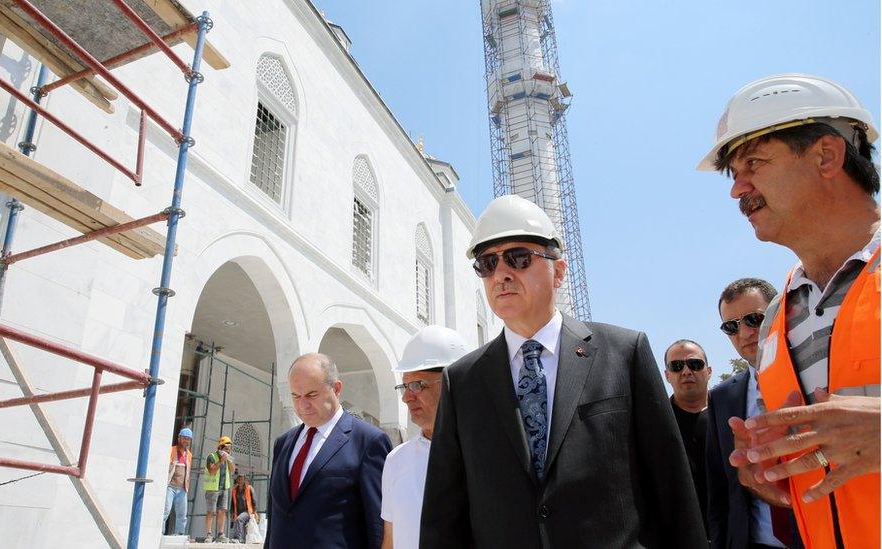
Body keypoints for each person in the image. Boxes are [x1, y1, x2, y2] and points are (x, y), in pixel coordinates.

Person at [420, 195, 706, 548]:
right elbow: (444, 514)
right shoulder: (461, 381)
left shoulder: (623, 353)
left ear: (558, 271)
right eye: (487, 263)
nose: (502, 274)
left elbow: (672, 488)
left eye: (518, 258)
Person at [699, 73, 879, 548]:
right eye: (733, 175)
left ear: (825, 155)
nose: (738, 190)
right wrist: (775, 470)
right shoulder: (780, 315)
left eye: (753, 164)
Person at [706, 278, 801, 549]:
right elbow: (720, 488)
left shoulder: (812, 375)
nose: (744, 332)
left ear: (779, 311)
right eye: (731, 326)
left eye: (754, 319)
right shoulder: (722, 397)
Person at [265, 353, 393, 549]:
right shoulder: (283, 443)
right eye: (295, 396)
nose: (302, 405)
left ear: (337, 388)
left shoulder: (368, 441)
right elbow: (276, 517)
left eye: (311, 395)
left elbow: (377, 525)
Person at [381, 326, 469, 549]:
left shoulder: (488, 454)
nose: (406, 398)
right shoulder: (395, 460)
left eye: (417, 385)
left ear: (454, 383)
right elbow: (390, 540)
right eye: (404, 386)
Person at [663, 338, 712, 533]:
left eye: (695, 364)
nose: (686, 372)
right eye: (676, 366)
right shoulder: (656, 423)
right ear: (667, 375)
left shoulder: (731, 415)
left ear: (708, 371)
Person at [203, 435, 235, 543]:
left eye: (229, 448)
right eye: (226, 448)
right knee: (211, 511)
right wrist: (221, 461)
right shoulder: (212, 457)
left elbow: (232, 469)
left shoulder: (227, 459)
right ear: (220, 447)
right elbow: (212, 470)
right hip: (213, 488)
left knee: (222, 511)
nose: (228, 450)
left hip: (224, 488)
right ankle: (209, 534)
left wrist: (229, 461)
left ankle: (221, 534)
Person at [162, 427, 193, 536]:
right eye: (184, 438)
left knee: (182, 514)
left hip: (182, 488)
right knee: (165, 511)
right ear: (179, 438)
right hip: (170, 486)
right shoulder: (171, 450)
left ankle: (179, 534)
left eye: (188, 439)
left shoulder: (189, 455)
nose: (186, 441)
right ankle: (160, 533)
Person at [231, 474, 258, 542]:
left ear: (245, 480)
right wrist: (232, 512)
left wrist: (255, 512)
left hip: (248, 511)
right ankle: (241, 539)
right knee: (238, 521)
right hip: (238, 511)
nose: (240, 481)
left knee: (239, 519)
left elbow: (254, 500)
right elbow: (232, 502)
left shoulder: (249, 488)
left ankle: (238, 538)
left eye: (242, 479)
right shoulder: (234, 490)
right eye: (239, 479)